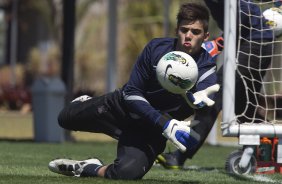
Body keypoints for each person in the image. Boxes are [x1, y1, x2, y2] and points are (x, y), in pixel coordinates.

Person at [48, 3, 219, 180]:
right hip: (122, 108)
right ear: (177, 30)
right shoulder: (155, 48)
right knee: (64, 118)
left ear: (206, 36)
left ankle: (87, 167)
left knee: (126, 173)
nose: (188, 36)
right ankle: (85, 102)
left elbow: (207, 94)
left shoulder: (206, 68)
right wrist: (165, 124)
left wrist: (196, 101)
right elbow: (131, 92)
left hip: (150, 130)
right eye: (184, 30)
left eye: (196, 32)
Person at [156, 0, 274, 169]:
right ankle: (271, 141)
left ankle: (179, 156)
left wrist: (220, 41)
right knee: (242, 106)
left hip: (253, 44)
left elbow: (241, 20)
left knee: (212, 99)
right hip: (251, 42)